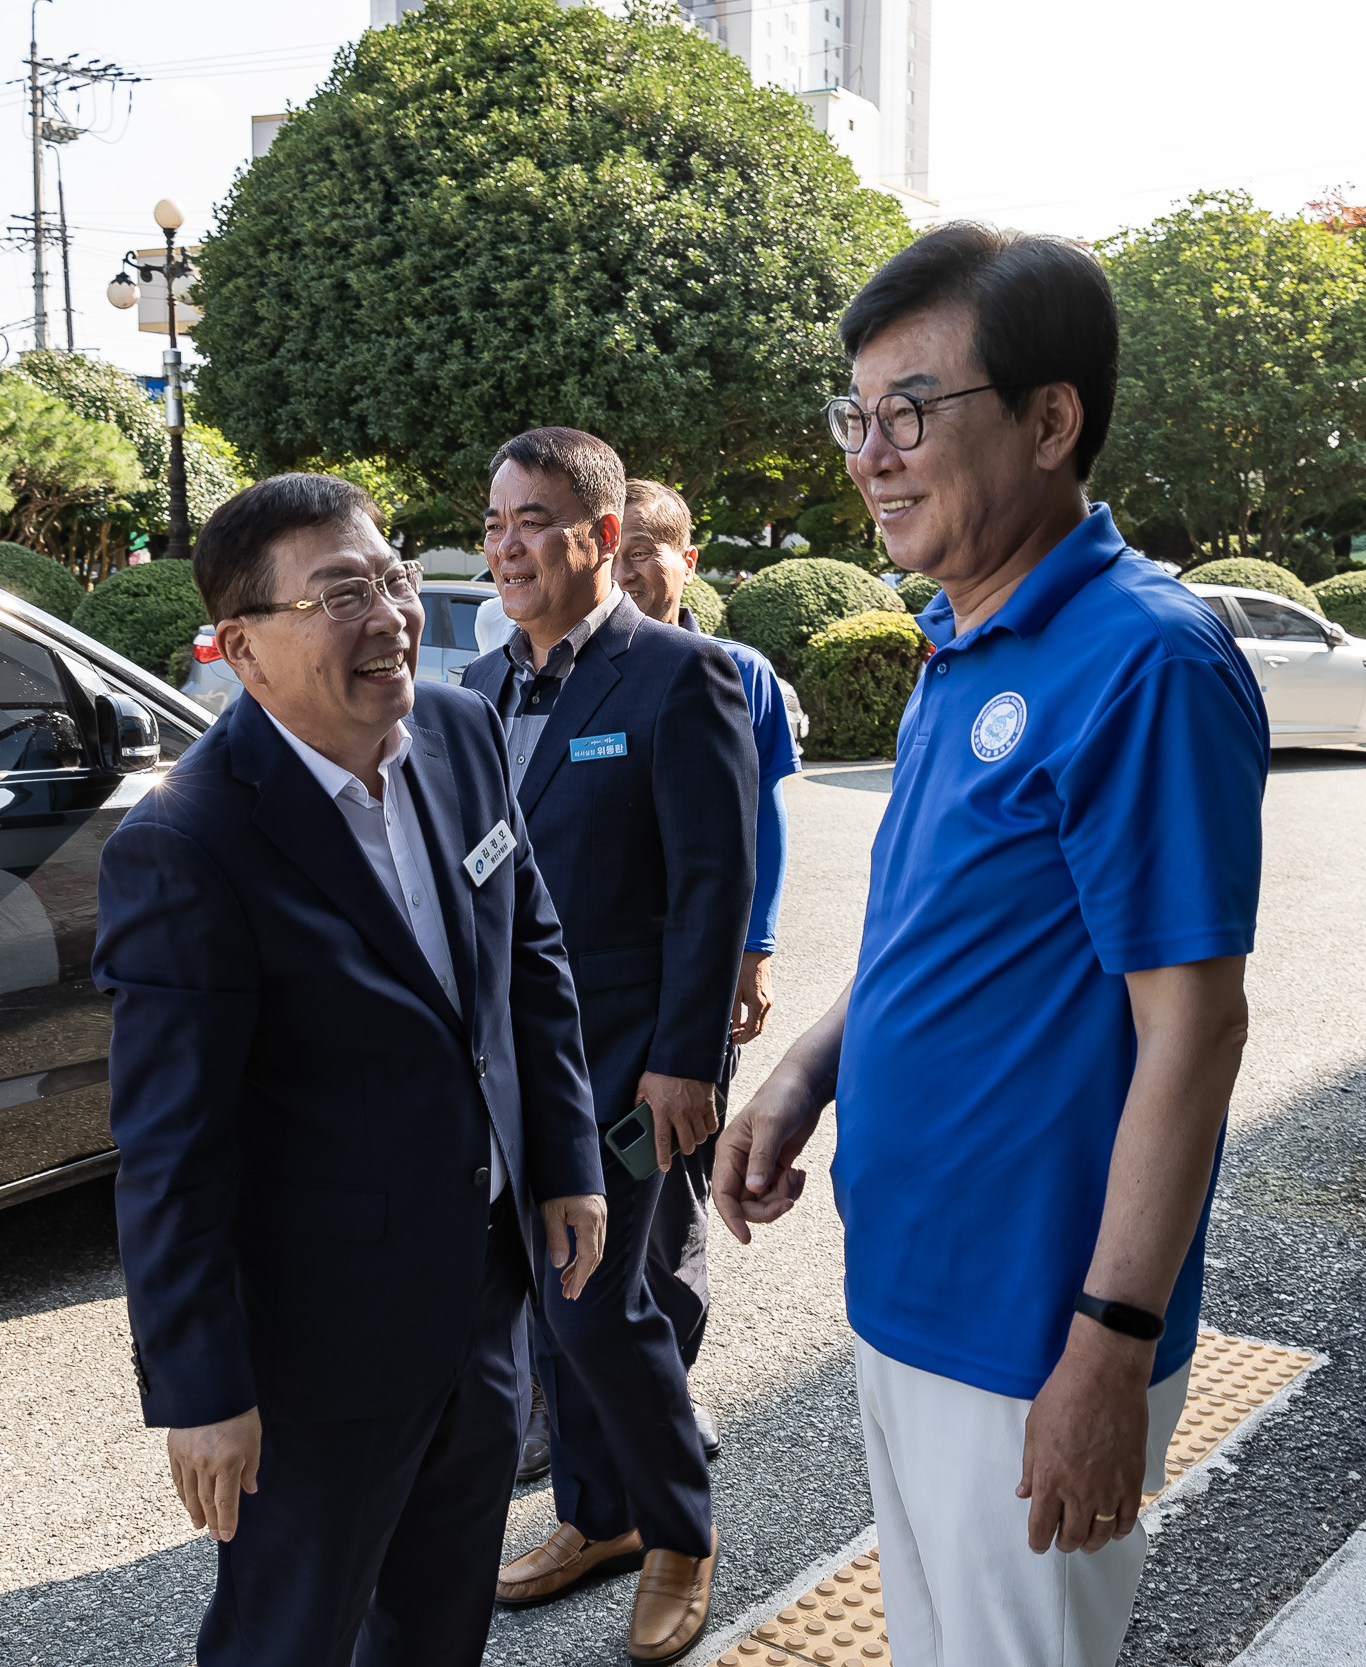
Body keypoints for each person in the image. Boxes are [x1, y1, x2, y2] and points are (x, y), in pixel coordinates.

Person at [712, 223, 1268, 1667]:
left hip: (1034, 1326)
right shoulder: (960, 640)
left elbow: (1196, 1027)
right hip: (911, 1282)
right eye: (857, 415)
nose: (870, 452)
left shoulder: (1144, 656)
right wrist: (806, 1071)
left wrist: (1108, 1345)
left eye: (911, 411)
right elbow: (930, 928)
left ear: (1049, 419)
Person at [93, 473, 608, 1667]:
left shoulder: (462, 730)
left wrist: (565, 1158)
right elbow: (173, 1148)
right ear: (242, 649)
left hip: (479, 1296)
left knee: (441, 1617)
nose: (388, 614)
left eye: (391, 577)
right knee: (294, 1634)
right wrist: (201, 1390)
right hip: (315, 1349)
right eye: (338, 594)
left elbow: (525, 949)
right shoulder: (188, 842)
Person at [460, 427, 755, 1664]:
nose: (505, 545)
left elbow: (713, 884)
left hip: (628, 1063)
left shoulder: (681, 675)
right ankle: (596, 1515)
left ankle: (678, 1526)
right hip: (499, 1069)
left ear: (601, 535)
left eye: (530, 519)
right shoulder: (473, 692)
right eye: (492, 524)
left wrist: (686, 1058)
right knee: (540, 1305)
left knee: (594, 1306)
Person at [612, 477, 804, 1425]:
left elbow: (756, 828)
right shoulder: (568, 669)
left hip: (686, 983)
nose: (629, 568)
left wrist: (753, 950)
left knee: (670, 1187)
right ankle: (572, 1393)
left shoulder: (733, 670)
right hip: (591, 991)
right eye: (618, 547)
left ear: (689, 558)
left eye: (651, 548)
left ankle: (667, 1390)